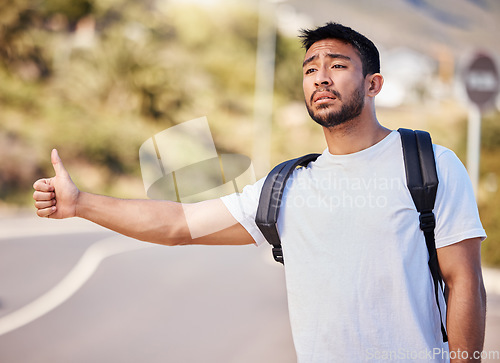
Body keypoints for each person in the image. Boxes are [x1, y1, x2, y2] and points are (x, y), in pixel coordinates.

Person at [33, 22, 486, 362]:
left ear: (374, 84)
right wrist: (81, 204)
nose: (320, 78)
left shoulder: (429, 163)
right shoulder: (288, 186)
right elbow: (177, 225)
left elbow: (463, 281)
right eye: (311, 69)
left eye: (338, 66)